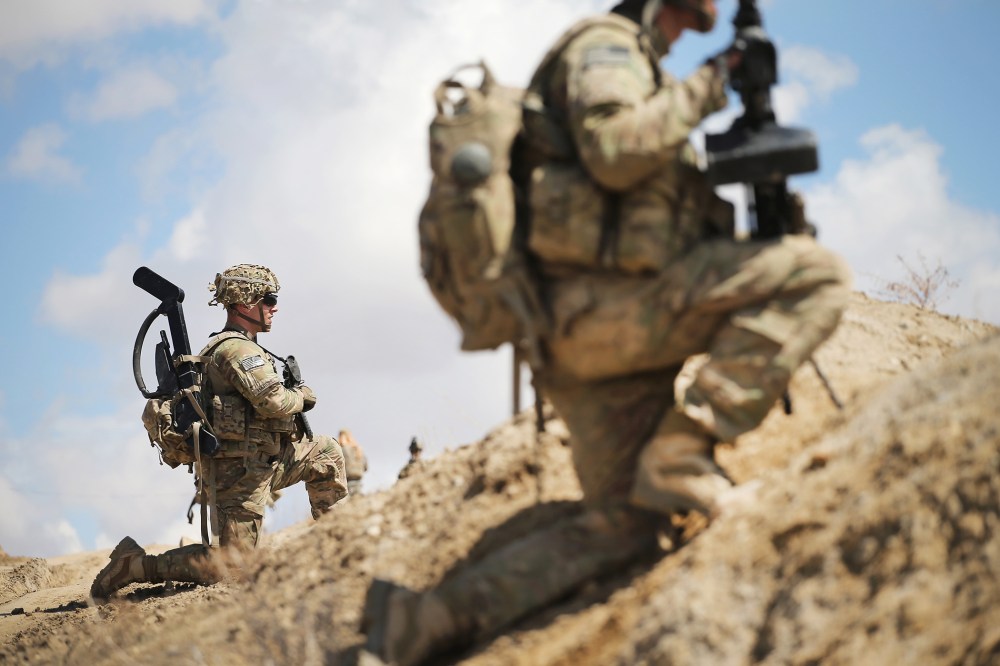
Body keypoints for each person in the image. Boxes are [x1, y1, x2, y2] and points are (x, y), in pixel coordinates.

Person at [361, 0, 850, 663]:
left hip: (589, 329)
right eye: (686, 20)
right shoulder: (608, 49)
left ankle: (420, 624)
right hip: (605, 315)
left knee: (626, 525)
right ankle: (682, 454)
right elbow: (616, 151)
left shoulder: (634, 63)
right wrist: (714, 81)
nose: (687, 33)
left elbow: (636, 202)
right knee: (815, 276)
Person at [91, 264, 348, 602]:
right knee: (232, 568)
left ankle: (340, 546)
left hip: (267, 459)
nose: (275, 307)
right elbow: (273, 401)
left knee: (326, 452)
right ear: (245, 303)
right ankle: (134, 565)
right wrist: (303, 395)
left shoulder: (246, 347)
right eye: (268, 299)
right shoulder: (235, 350)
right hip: (237, 472)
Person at [339, 429, 369, 496]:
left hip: (347, 481)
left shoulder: (342, 449)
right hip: (358, 480)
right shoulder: (358, 449)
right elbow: (366, 467)